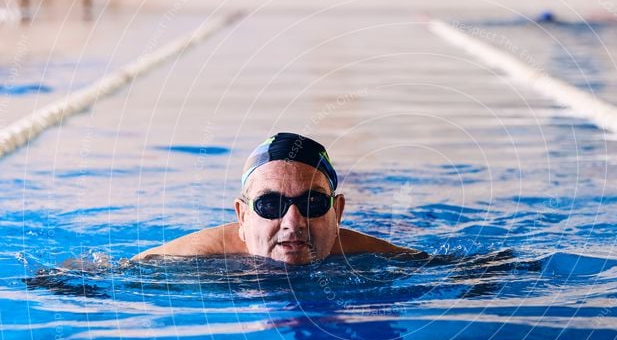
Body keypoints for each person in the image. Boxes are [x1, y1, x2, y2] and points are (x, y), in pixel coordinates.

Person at [133, 133, 417, 264]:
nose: (293, 223)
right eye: (270, 205)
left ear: (338, 212)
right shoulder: (188, 258)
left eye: (313, 203)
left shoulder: (373, 255)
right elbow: (106, 275)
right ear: (242, 217)